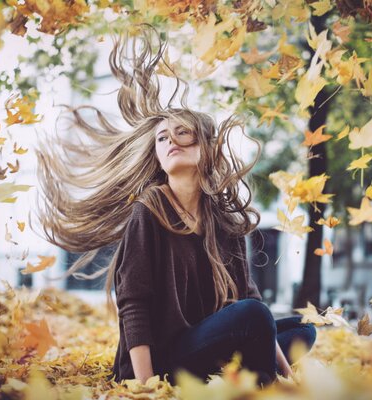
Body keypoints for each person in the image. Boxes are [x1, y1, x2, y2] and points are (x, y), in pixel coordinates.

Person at [33, 23, 316, 388]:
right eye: (162, 138)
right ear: (158, 156)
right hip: (166, 357)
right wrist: (146, 385)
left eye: (182, 133)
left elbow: (247, 295)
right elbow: (133, 303)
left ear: (206, 147)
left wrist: (290, 375)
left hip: (204, 341)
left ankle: (259, 376)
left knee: (301, 332)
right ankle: (262, 389)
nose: (171, 141)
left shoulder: (222, 219)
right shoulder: (149, 210)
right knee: (256, 319)